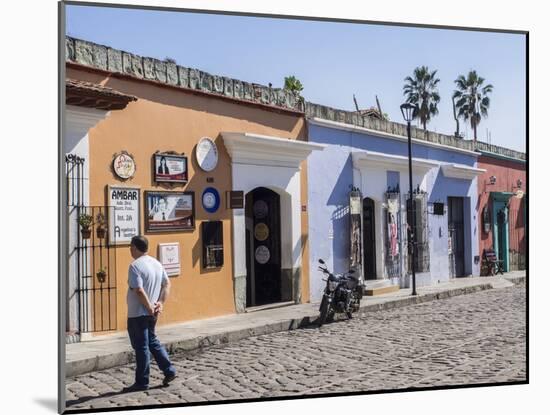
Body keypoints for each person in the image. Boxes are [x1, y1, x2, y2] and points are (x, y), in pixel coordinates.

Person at [122, 235, 177, 392]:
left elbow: (139, 290)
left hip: (138, 313)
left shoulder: (135, 266)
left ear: (134, 247)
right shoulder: (157, 264)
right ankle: (169, 370)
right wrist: (160, 303)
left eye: (130, 247)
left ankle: (142, 381)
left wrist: (148, 307)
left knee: (142, 347)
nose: (130, 250)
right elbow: (167, 284)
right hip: (152, 311)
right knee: (152, 341)